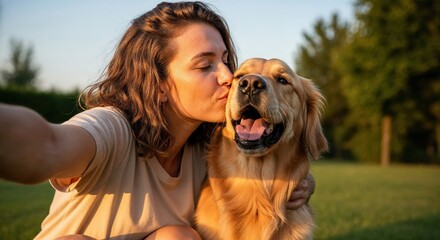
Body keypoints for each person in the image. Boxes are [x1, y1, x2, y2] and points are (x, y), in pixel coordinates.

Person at [0, 2, 315, 239]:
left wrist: (301, 183)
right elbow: (49, 144)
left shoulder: (211, 147)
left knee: (177, 237)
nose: (229, 78)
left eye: (225, 61)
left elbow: (277, 159)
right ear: (160, 84)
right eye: (205, 65)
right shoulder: (113, 129)